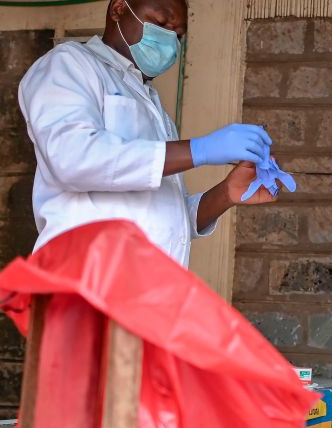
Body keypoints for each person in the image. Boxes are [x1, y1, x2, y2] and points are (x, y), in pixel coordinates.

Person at [19, 0, 282, 268]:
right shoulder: (70, 64)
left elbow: (166, 220)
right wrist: (199, 150)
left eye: (178, 35)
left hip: (145, 291)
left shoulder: (152, 104)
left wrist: (226, 193)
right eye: (160, 23)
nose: (169, 39)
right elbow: (73, 159)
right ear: (119, 9)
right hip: (87, 283)